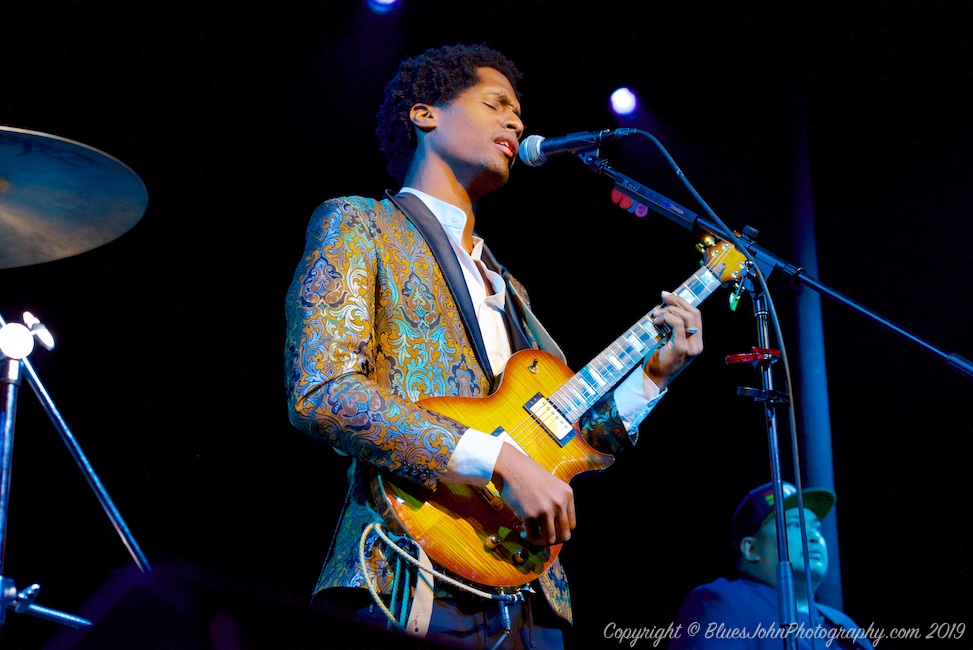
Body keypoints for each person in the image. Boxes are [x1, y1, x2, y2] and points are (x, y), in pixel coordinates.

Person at [284, 43, 703, 649]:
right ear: (425, 114)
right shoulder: (358, 224)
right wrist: (499, 461)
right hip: (409, 572)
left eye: (519, 113)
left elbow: (568, 442)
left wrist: (651, 380)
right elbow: (322, 392)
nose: (517, 122)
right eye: (496, 104)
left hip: (530, 596)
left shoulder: (511, 288)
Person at [670, 481, 875, 649]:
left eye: (817, 528)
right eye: (794, 525)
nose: (813, 537)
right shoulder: (723, 603)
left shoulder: (846, 627)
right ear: (751, 549)